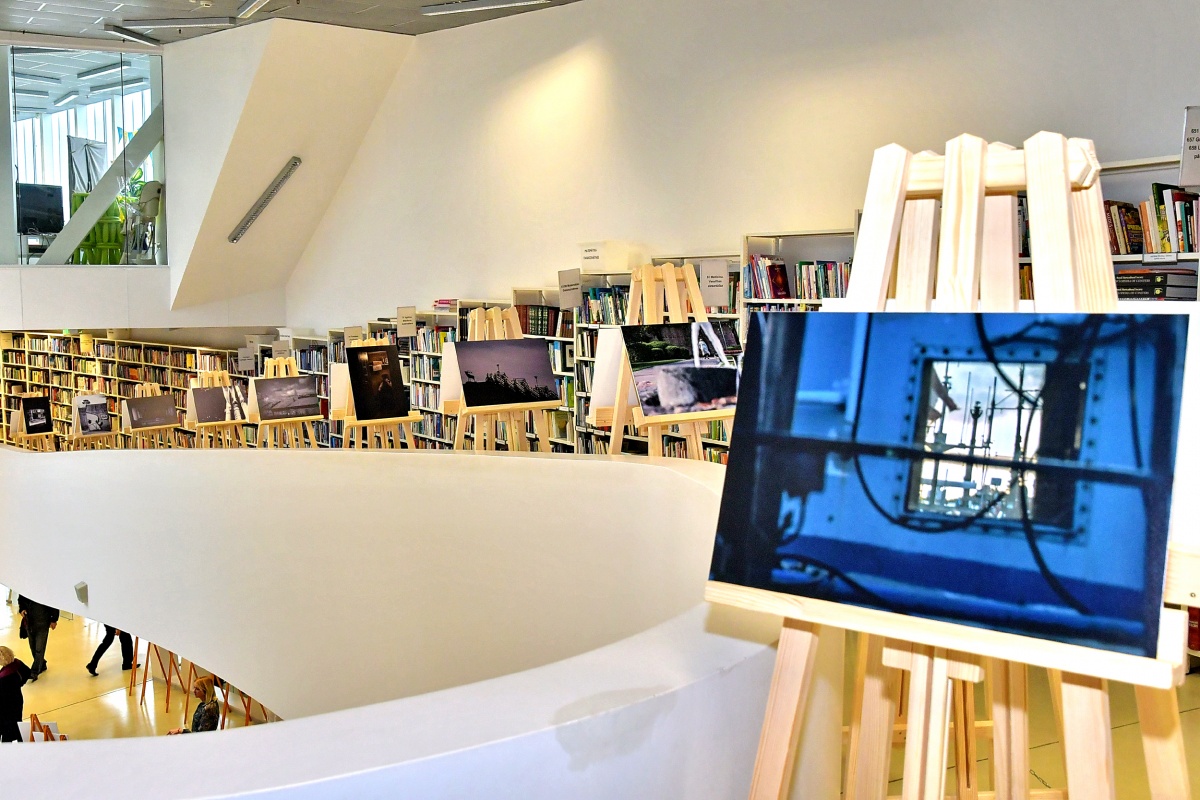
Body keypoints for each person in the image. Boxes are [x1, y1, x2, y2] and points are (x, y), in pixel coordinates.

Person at [17, 595, 58, 682]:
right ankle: (42, 664)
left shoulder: (47, 590)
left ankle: (34, 671)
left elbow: (54, 602)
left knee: (39, 648)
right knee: (33, 646)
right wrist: (22, 609)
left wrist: (54, 619)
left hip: (43, 622)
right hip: (29, 621)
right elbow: (21, 598)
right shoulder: (26, 588)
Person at [0, 645, 31, 742]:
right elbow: (28, 673)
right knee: (17, 722)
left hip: (6, 706)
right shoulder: (17, 663)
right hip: (17, 699)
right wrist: (20, 684)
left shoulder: (4, 677)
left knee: (7, 729)